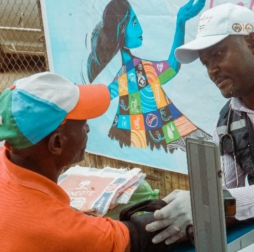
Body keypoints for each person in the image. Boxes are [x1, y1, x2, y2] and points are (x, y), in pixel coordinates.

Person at [145, 3, 254, 245]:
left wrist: (215, 205)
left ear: (252, 43)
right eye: (205, 62)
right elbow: (226, 190)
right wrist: (183, 213)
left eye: (217, 54)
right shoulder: (226, 121)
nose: (212, 70)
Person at [0, 72, 168, 252]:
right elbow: (133, 237)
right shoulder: (59, 227)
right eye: (82, 123)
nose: (87, 128)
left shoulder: (8, 154)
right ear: (57, 143)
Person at [87, 0, 211, 153]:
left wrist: (180, 22)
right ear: (121, 29)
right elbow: (172, 67)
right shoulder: (126, 72)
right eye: (133, 22)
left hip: (146, 144)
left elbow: (172, 66)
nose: (140, 28)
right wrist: (180, 22)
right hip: (136, 145)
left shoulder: (138, 68)